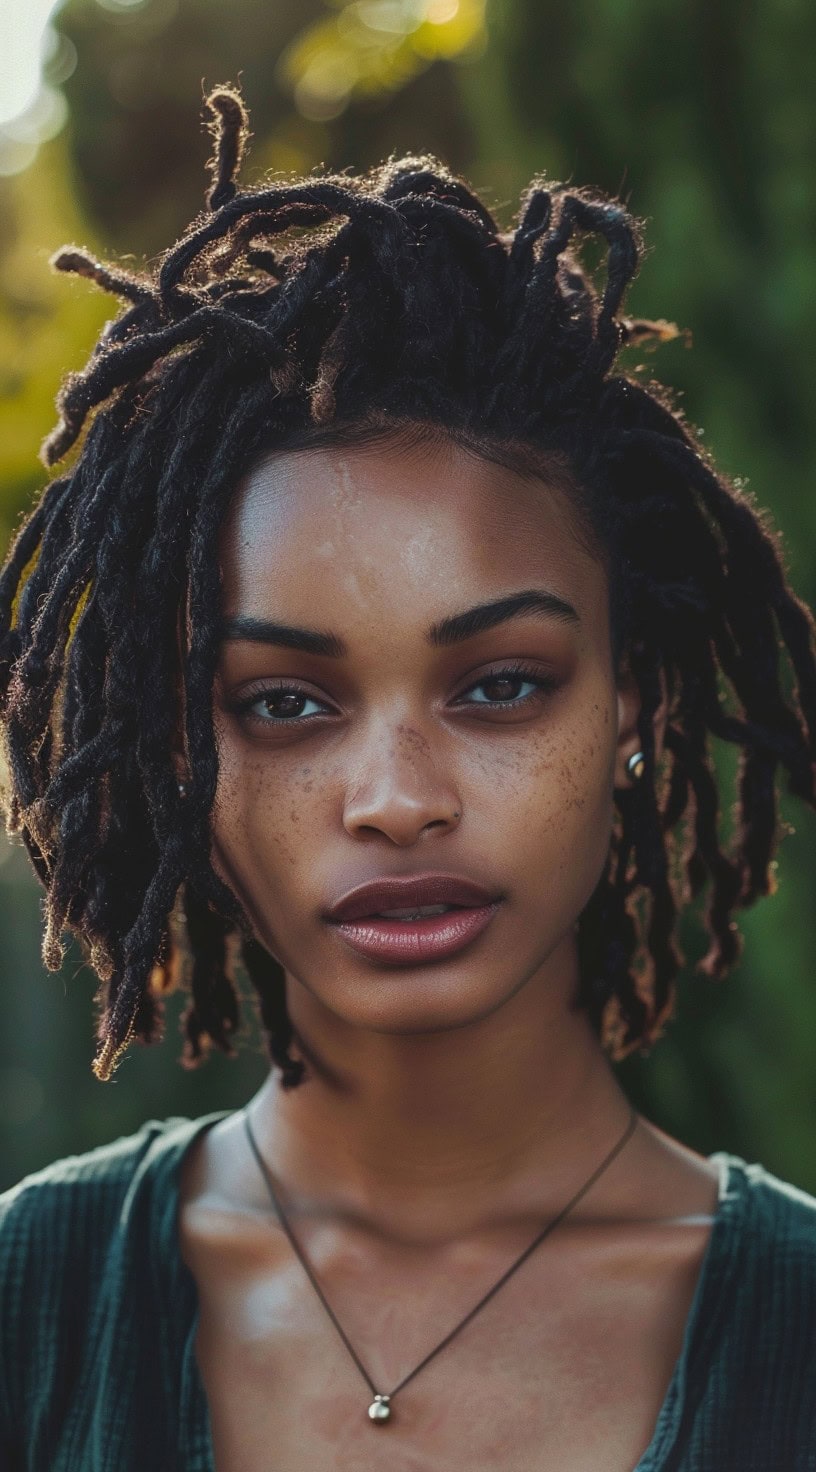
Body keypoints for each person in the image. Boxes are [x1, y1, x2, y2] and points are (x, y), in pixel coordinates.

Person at [0, 84, 814, 1472]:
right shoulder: (31, 1302)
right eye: (287, 703)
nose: (394, 797)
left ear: (641, 701)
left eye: (500, 684)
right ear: (185, 753)